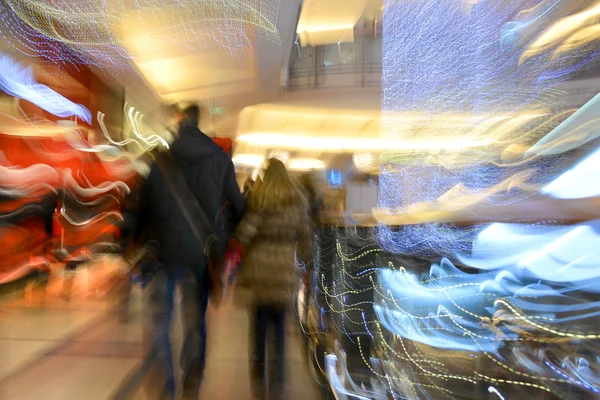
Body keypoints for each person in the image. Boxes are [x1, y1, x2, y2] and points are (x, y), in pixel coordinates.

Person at [134, 104, 244, 400]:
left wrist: (134, 240)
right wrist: (222, 237)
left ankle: (166, 388)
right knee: (195, 319)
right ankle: (192, 379)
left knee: (161, 320)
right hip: (203, 253)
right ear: (200, 124)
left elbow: (142, 208)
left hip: (164, 254)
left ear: (179, 124)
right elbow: (239, 206)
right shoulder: (220, 160)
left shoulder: (161, 160)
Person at [233, 158, 311, 399]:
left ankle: (258, 381)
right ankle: (277, 383)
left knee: (257, 328)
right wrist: (309, 267)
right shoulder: (297, 201)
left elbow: (246, 232)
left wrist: (237, 247)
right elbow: (305, 238)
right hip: (284, 273)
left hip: (259, 271)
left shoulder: (260, 199)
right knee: (278, 329)